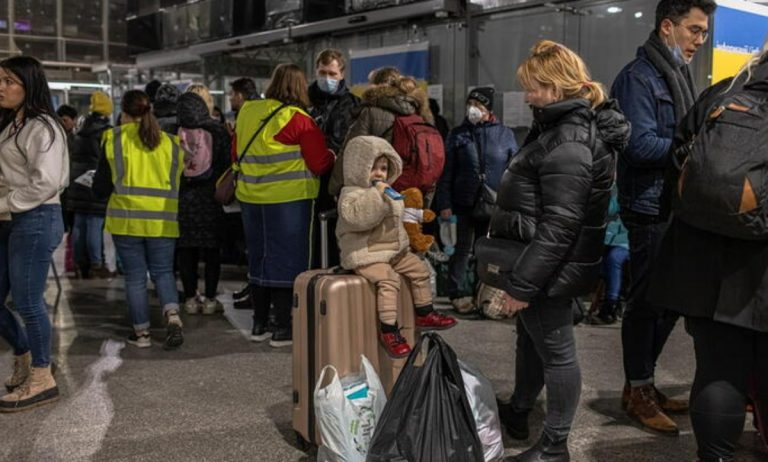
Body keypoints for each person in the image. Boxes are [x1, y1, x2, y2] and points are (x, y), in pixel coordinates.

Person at [492, 41, 629, 461]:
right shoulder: (556, 130)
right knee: (531, 342)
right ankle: (519, 411)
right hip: (543, 262)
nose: (527, 95)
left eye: (532, 87)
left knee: (557, 353)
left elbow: (559, 226)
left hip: (549, 267)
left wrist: (522, 284)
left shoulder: (568, 140)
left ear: (555, 87)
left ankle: (555, 446)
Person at [648, 45, 768, 462]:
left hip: (705, 264)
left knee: (719, 370)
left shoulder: (722, 93)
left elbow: (678, 165)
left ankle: (714, 457)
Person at [610, 0, 716, 433]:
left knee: (670, 299)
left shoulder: (676, 73)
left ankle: (642, 382)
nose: (699, 41)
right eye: (694, 30)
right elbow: (637, 145)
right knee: (647, 302)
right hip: (648, 204)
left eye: (705, 33)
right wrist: (693, 151)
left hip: (672, 202)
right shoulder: (638, 78)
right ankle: (638, 389)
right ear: (668, 27)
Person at [236, 64, 334, 347]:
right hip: (288, 201)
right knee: (287, 261)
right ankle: (282, 326)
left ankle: (258, 323)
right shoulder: (299, 119)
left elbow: (236, 150)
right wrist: (332, 156)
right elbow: (318, 162)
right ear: (300, 87)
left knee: (259, 257)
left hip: (251, 198)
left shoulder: (247, 111)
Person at [337, 136, 457, 357]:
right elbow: (360, 218)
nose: (380, 174)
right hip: (366, 253)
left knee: (419, 269)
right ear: (358, 167)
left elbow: (398, 222)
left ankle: (424, 311)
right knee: (388, 280)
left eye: (384, 168)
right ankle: (389, 330)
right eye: (373, 168)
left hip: (391, 251)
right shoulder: (351, 194)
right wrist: (378, 194)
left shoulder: (388, 191)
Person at [0, 56, 69, 412]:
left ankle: (42, 377)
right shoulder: (14, 125)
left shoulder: (43, 127)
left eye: (10, 81)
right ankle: (27, 356)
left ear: (29, 85)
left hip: (37, 216)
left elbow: (46, 183)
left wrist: (3, 203)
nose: (1, 87)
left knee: (27, 301)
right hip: (14, 218)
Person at [92, 90, 184, 351]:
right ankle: (172, 315)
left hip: (127, 220)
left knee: (134, 278)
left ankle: (141, 334)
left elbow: (100, 187)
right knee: (163, 272)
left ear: (124, 112)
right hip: (163, 220)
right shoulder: (171, 143)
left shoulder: (114, 139)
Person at [436, 87, 518, 314]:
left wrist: (511, 203)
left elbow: (513, 171)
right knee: (461, 250)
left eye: (479, 105)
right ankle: (458, 293)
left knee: (488, 251)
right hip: (463, 202)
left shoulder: (505, 135)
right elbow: (447, 172)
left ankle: (483, 293)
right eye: (470, 103)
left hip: (494, 204)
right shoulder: (458, 134)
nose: (473, 109)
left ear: (489, 109)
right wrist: (444, 203)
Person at [328, 69, 433, 197]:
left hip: (378, 193)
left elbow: (351, 152)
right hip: (413, 193)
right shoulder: (420, 115)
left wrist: (334, 189)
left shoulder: (370, 112)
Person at [176, 91, 230, 315]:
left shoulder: (173, 131)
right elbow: (227, 161)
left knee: (186, 251)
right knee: (211, 253)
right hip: (210, 199)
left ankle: (189, 298)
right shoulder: (217, 130)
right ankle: (209, 298)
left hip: (183, 200)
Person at [308, 48, 361, 267]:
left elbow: (344, 142)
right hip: (307, 178)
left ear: (342, 74)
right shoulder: (306, 101)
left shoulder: (351, 104)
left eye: (332, 74)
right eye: (322, 73)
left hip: (335, 179)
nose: (327, 78)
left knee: (334, 234)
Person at [66, 91, 114, 279]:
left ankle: (79, 263)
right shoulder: (105, 132)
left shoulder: (81, 129)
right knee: (95, 222)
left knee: (79, 222)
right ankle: (96, 263)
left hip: (77, 180)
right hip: (94, 178)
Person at [590, 185, 630, 325]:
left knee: (614, 259)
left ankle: (611, 304)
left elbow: (611, 208)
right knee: (603, 261)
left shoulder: (617, 188)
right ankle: (609, 303)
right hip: (606, 239)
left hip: (625, 239)